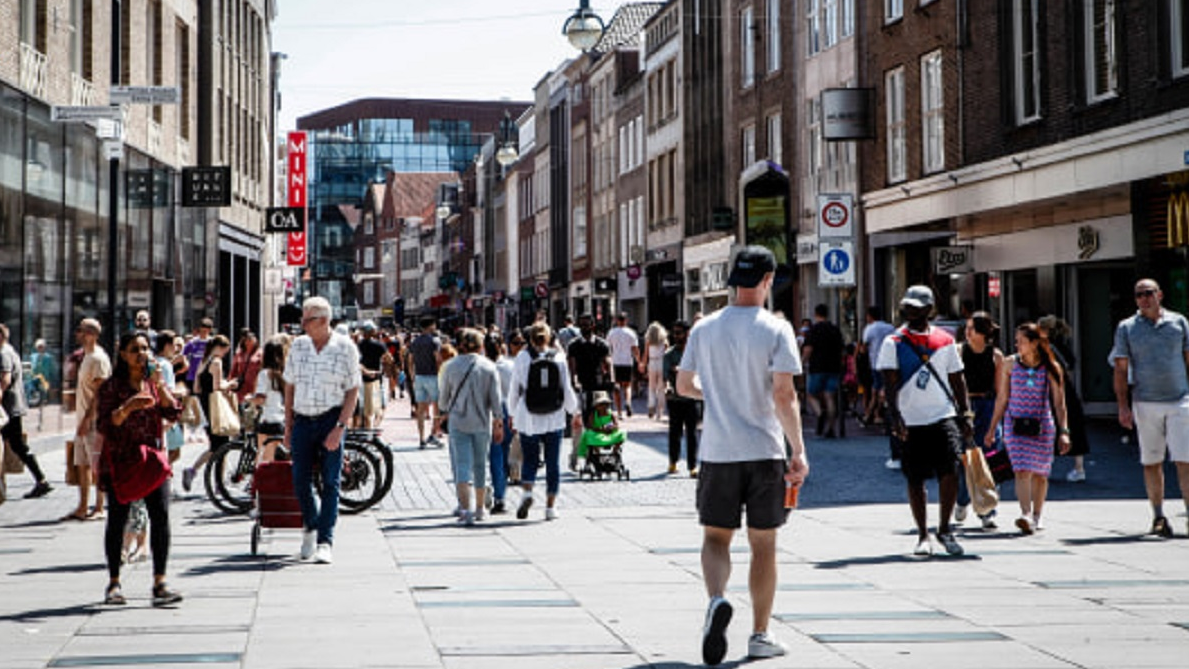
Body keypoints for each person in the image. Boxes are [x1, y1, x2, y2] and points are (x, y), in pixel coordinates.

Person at [676, 246, 808, 664]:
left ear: (733, 281)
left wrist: (712, 393)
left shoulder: (705, 328)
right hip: (764, 450)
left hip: (717, 451)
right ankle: (760, 634)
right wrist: (799, 451)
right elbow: (784, 396)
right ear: (768, 281)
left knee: (716, 537)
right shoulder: (776, 329)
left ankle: (717, 600)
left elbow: (682, 385)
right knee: (763, 545)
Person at [877, 285, 970, 557]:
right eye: (907, 307)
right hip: (911, 419)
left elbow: (957, 378)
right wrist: (895, 418)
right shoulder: (892, 342)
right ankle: (922, 534)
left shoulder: (945, 340)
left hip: (942, 415)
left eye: (917, 308)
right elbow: (889, 384)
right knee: (915, 478)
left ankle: (945, 529)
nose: (910, 312)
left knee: (950, 470)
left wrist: (966, 413)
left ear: (930, 309)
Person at [95, 331, 182, 607]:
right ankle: (114, 582)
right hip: (121, 459)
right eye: (135, 349)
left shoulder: (152, 383)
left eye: (145, 348)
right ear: (122, 354)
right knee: (117, 520)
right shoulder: (112, 387)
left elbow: (173, 413)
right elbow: (105, 425)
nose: (141, 354)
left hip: (152, 459)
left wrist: (162, 387)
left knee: (161, 516)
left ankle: (160, 581)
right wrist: (128, 407)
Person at [283, 297, 361, 564]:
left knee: (331, 481)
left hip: (331, 417)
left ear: (324, 321)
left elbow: (353, 389)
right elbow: (289, 386)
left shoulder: (345, 348)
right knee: (299, 478)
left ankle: (325, 540)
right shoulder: (299, 346)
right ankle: (311, 525)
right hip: (303, 419)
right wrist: (288, 425)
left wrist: (340, 427)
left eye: (307, 320)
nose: (302, 325)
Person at [1110, 279, 1189, 539]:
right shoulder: (1127, 327)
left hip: (1180, 400)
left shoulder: (1179, 323)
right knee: (1151, 461)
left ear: (1160, 294)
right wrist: (1123, 407)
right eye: (1138, 295)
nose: (1143, 299)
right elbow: (1120, 369)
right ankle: (1158, 515)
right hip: (1145, 402)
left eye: (1148, 293)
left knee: (1184, 460)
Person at [986, 323, 1070, 534]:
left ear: (1034, 343)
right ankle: (1025, 514)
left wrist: (1064, 432)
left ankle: (1037, 514)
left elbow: (1059, 403)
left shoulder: (1051, 367)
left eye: (1021, 341)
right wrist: (992, 428)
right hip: (1014, 425)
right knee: (1021, 470)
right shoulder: (1009, 364)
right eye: (1017, 341)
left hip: (1042, 426)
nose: (1017, 345)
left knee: (1041, 474)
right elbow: (1002, 398)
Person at [507, 323, 582, 521]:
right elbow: (566, 388)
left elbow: (514, 388)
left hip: (529, 414)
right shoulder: (558, 357)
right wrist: (574, 411)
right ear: (549, 338)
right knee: (552, 462)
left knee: (530, 459)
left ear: (530, 338)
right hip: (554, 415)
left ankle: (527, 493)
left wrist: (512, 413)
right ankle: (550, 507)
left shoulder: (522, 358)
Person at [439, 328, 505, 526]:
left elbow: (443, 401)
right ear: (481, 345)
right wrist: (499, 421)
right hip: (482, 422)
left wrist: (444, 410)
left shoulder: (450, 367)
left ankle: (465, 509)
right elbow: (496, 399)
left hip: (458, 422)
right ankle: (480, 508)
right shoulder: (489, 367)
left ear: (460, 345)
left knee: (462, 466)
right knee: (480, 465)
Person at [956, 312, 1004, 530]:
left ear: (983, 333)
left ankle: (988, 511)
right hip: (964, 408)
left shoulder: (996, 356)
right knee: (964, 459)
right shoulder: (958, 351)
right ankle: (962, 500)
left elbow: (1001, 393)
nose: (967, 332)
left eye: (971, 328)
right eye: (966, 328)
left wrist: (996, 423)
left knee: (990, 459)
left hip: (986, 407)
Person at [66, 318, 111, 521]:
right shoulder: (86, 357)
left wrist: (87, 420)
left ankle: (100, 507)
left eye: (80, 330)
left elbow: (100, 392)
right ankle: (83, 506)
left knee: (96, 465)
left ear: (91, 334)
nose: (77, 334)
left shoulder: (98, 359)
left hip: (93, 420)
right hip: (83, 419)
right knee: (82, 464)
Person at [0, 324, 52, 498]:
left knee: (16, 446)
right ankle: (40, 479)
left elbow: (5, 380)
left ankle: (40, 480)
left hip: (7, 408)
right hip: (13, 406)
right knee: (17, 445)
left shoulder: (3, 353)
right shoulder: (10, 350)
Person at [181, 335, 236, 492]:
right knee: (222, 445)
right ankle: (218, 482)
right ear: (220, 347)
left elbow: (197, 388)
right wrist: (230, 384)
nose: (225, 353)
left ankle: (196, 472)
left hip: (205, 407)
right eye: (226, 350)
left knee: (216, 445)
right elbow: (217, 386)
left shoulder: (203, 362)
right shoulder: (216, 362)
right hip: (215, 409)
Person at [1038, 315, 1090, 482]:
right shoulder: (1060, 344)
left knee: (1049, 427)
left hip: (1052, 390)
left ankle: (1046, 468)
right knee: (1073, 427)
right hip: (1067, 389)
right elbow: (1071, 363)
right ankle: (1079, 467)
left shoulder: (1047, 347)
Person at [802, 303, 845, 439]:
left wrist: (801, 363)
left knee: (810, 394)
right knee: (830, 397)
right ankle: (831, 429)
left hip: (817, 367)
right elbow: (842, 349)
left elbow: (808, 349)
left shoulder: (813, 330)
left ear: (816, 314)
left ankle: (819, 412)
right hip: (834, 367)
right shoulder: (835, 329)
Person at [663, 320, 699, 477]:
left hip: (692, 399)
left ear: (687, 333)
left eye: (679, 333)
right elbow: (665, 377)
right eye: (674, 333)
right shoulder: (669, 354)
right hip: (675, 399)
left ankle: (692, 466)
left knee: (692, 433)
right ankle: (673, 461)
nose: (676, 336)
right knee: (675, 432)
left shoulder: (695, 353)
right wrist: (667, 388)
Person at [485, 332, 515, 514]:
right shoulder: (510, 366)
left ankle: (499, 496)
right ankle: (500, 489)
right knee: (504, 453)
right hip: (509, 411)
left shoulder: (483, 367)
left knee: (495, 456)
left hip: (490, 413)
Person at [567, 314, 612, 426]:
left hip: (598, 381)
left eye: (586, 325)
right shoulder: (573, 345)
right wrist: (574, 381)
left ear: (593, 326)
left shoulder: (601, 344)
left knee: (601, 412)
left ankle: (601, 436)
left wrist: (611, 379)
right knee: (584, 412)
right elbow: (572, 366)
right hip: (582, 382)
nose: (584, 328)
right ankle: (587, 436)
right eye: (581, 325)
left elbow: (607, 362)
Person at [407, 317, 444, 448]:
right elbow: (438, 359)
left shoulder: (414, 341)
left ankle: (421, 438)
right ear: (431, 326)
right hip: (433, 376)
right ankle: (433, 434)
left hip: (419, 377)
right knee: (436, 408)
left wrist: (412, 374)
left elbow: (410, 359)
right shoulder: (435, 341)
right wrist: (441, 375)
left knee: (420, 409)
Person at [253, 336, 289, 463]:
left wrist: (249, 399)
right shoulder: (285, 373)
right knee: (280, 460)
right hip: (283, 420)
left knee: (264, 459)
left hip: (268, 420)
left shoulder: (264, 374)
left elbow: (261, 399)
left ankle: (261, 482)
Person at [860, 306, 896, 431]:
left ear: (870, 316)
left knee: (876, 391)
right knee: (885, 389)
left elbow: (863, 348)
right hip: (891, 363)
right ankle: (875, 414)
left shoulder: (870, 328)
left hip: (876, 363)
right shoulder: (890, 327)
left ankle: (871, 415)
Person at [154, 330, 186, 464]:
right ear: (167, 346)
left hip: (156, 412)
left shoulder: (155, 362)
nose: (176, 349)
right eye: (174, 345)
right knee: (173, 451)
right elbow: (169, 392)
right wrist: (182, 391)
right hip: (165, 413)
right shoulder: (166, 366)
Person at [606, 313, 640, 420]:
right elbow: (635, 348)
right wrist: (639, 361)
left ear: (616, 320)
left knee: (616, 387)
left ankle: (619, 412)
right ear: (626, 320)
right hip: (627, 361)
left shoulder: (611, 333)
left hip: (615, 361)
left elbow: (607, 347)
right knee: (627, 385)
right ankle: (628, 402)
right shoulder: (631, 333)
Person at [355, 321, 387, 429]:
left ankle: (368, 429)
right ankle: (373, 429)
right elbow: (389, 359)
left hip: (361, 378)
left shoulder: (359, 345)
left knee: (365, 409)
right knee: (380, 407)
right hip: (376, 378)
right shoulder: (379, 345)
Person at [576, 391, 625, 460]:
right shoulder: (593, 414)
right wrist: (599, 429)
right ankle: (597, 453)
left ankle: (615, 451)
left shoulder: (612, 414)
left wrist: (611, 428)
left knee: (622, 433)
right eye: (601, 404)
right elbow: (589, 426)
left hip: (609, 434)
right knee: (588, 434)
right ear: (596, 406)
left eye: (605, 404)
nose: (603, 406)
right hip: (597, 435)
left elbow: (616, 425)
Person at [640, 322, 668, 421]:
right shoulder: (664, 341)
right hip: (661, 362)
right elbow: (667, 354)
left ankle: (651, 405)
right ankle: (660, 412)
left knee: (651, 387)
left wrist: (642, 364)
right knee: (661, 388)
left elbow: (645, 354)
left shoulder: (648, 341)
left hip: (652, 362)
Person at [228, 329, 263, 407]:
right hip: (241, 386)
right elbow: (234, 369)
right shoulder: (240, 353)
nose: (249, 342)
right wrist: (230, 383)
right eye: (247, 340)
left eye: (251, 339)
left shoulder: (260, 353)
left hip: (254, 386)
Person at [181, 318, 214, 390]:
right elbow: (183, 353)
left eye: (206, 331)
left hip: (207, 374)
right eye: (202, 331)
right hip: (193, 373)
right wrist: (185, 362)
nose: (203, 333)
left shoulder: (212, 342)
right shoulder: (193, 342)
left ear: (210, 331)